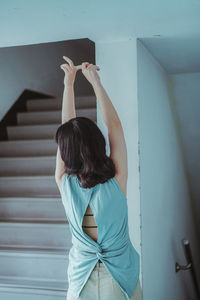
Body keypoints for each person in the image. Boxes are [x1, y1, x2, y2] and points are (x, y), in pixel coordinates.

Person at [55, 56, 143, 300]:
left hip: (80, 283)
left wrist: (68, 86)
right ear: (98, 143)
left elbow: (66, 129)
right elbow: (115, 126)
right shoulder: (116, 180)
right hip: (121, 281)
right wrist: (95, 82)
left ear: (65, 151)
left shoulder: (64, 181)